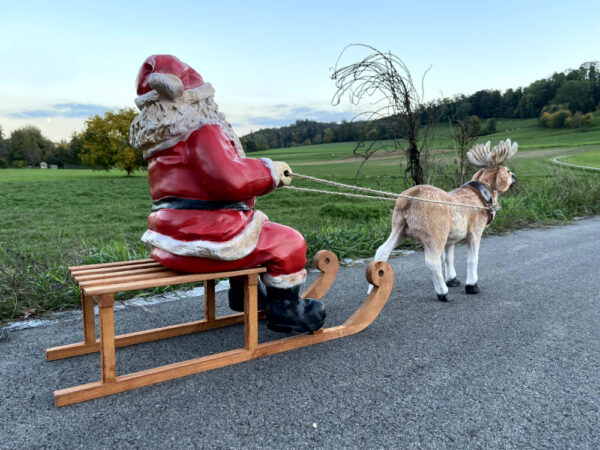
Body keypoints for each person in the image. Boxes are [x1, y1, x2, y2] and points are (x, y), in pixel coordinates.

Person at [129, 54, 325, 333]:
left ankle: (245, 296)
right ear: (196, 98)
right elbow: (230, 179)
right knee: (288, 242)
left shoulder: (160, 144)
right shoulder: (201, 131)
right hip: (208, 238)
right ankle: (288, 312)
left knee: (254, 231)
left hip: (169, 243)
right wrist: (271, 172)